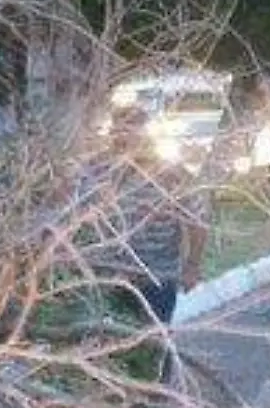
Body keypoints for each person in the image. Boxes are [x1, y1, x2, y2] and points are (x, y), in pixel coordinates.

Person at [86, 105, 209, 340]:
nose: (123, 137)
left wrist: (192, 266)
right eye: (119, 130)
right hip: (107, 279)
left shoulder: (171, 176)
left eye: (132, 130)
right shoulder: (95, 172)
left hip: (156, 278)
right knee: (108, 347)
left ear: (145, 134)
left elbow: (198, 221)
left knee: (153, 345)